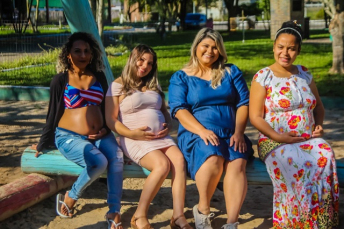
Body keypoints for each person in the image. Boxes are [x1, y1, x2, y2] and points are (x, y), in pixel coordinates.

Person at [249, 21, 339, 228]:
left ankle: (319, 221)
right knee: (296, 162)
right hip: (274, 141)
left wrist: (318, 126)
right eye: (281, 47)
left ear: (298, 50)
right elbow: (255, 117)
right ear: (274, 47)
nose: (285, 53)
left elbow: (319, 108)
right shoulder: (263, 77)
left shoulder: (304, 74)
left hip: (307, 138)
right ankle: (294, 222)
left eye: (291, 48)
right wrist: (278, 137)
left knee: (325, 154)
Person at [31, 32, 124, 229]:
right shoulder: (60, 80)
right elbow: (52, 114)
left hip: (100, 135)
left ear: (92, 55)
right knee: (99, 162)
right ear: (68, 55)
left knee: (117, 158)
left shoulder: (99, 77)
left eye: (86, 51)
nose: (82, 55)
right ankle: (71, 196)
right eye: (77, 51)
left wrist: (106, 130)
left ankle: (114, 211)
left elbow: (107, 109)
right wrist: (43, 143)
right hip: (69, 137)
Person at [168, 28, 254, 229]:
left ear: (221, 51)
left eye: (215, 47)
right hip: (196, 133)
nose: (210, 51)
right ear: (196, 47)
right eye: (206, 46)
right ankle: (203, 210)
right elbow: (179, 110)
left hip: (231, 133)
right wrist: (202, 131)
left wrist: (239, 132)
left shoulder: (231, 71)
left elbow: (244, 103)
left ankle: (232, 223)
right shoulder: (181, 77)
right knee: (213, 155)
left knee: (238, 160)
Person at [105, 44, 192, 229]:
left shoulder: (153, 84)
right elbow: (111, 120)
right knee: (162, 165)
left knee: (179, 160)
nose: (145, 65)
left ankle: (178, 216)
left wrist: (167, 125)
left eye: (150, 63)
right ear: (132, 58)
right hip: (133, 138)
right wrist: (132, 133)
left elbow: (164, 112)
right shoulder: (118, 85)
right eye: (141, 60)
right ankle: (140, 215)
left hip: (161, 138)